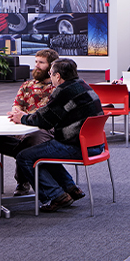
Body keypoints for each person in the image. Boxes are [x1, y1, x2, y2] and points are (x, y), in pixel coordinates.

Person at [10, 58, 104, 212]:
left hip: (77, 146)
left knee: (24, 157)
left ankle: (56, 196)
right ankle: (70, 187)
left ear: (58, 76)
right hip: (95, 145)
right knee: (42, 152)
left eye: (51, 74)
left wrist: (22, 118)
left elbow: (45, 119)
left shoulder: (63, 91)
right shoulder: (83, 85)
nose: (50, 77)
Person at [0, 48, 59, 195]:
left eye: (41, 62)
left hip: (43, 130)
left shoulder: (57, 88)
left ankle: (22, 181)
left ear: (51, 66)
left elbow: (50, 116)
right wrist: (17, 114)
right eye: (36, 62)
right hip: (21, 128)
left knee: (30, 141)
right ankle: (25, 159)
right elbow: (16, 107)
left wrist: (27, 117)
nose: (37, 65)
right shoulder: (26, 86)